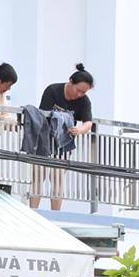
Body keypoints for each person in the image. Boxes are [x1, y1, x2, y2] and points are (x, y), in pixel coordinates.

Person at [29, 63, 95, 210]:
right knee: (38, 176)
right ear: (70, 82)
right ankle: (33, 211)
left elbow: (88, 123)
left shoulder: (84, 101)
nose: (79, 95)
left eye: (83, 92)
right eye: (78, 90)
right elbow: (43, 115)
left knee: (58, 179)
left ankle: (55, 215)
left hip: (63, 144)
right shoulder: (53, 90)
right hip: (44, 140)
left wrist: (79, 130)